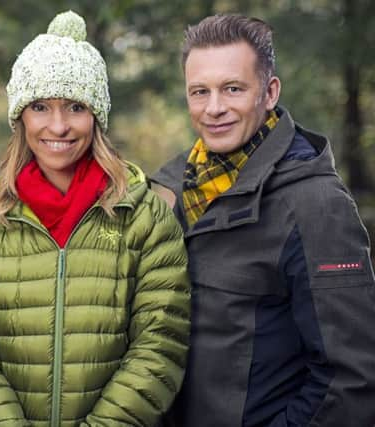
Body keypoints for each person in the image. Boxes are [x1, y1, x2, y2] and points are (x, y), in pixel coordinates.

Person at [0, 10, 190, 427]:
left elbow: (159, 346)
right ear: (21, 118)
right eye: (40, 107)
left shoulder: (144, 217)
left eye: (75, 106)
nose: (58, 125)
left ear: (96, 117)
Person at [151, 14, 375, 427]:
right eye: (200, 92)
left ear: (269, 92)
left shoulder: (316, 204)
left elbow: (350, 379)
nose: (214, 108)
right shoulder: (169, 191)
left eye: (232, 89)